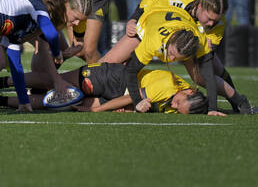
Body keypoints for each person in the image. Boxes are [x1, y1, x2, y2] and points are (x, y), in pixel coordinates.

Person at [100, 0, 256, 114]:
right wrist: (133, 19)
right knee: (105, 65)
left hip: (187, 43)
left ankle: (239, 102)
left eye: (215, 20)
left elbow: (208, 53)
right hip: (152, 30)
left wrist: (213, 108)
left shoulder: (217, 22)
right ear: (200, 6)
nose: (211, 23)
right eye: (208, 18)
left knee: (206, 74)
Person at [0, 63, 208, 114]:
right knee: (54, 82)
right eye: (178, 102)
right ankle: (5, 82)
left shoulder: (187, 99)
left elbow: (132, 103)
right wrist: (98, 109)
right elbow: (131, 99)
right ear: (189, 91)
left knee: (57, 101)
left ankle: (2, 100)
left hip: (118, 92)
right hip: (111, 78)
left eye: (178, 108)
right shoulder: (167, 86)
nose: (174, 105)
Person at [0, 0, 67, 112]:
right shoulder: (38, 5)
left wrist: (23, 101)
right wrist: (56, 52)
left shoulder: (16, 26)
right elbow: (52, 34)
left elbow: (16, 67)